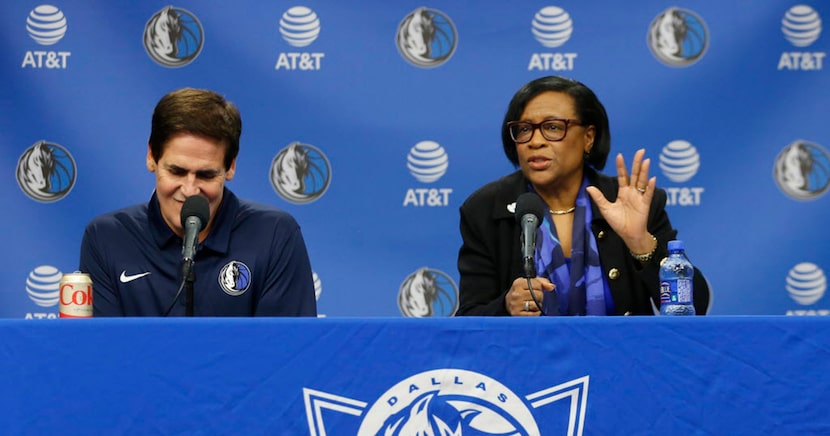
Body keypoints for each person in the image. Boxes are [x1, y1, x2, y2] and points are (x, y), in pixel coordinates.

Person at [456, 76, 709, 316]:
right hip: (526, 359)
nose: (534, 141)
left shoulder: (627, 201)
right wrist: (505, 306)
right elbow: (468, 320)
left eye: (552, 127)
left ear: (588, 137)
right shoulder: (487, 209)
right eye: (523, 130)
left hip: (621, 358)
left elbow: (696, 305)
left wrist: (641, 243)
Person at [79, 88, 317, 317]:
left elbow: (288, 350)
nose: (190, 190)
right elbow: (103, 351)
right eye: (177, 171)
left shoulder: (274, 235)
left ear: (230, 166)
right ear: (152, 157)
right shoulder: (107, 238)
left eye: (206, 175)